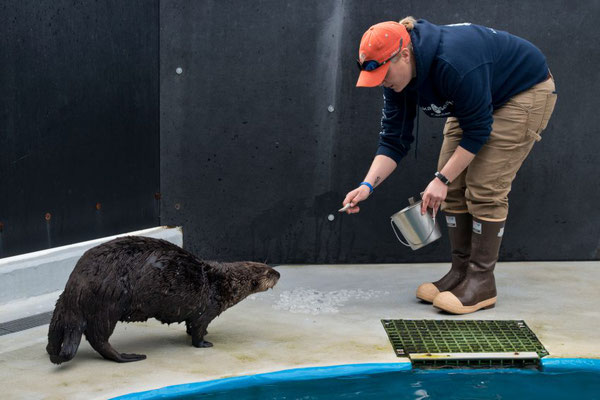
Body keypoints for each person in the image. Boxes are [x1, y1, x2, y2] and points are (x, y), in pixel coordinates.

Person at [342, 17, 557, 314]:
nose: (382, 80)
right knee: (452, 186)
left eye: (383, 72)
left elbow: (479, 129)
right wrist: (367, 186)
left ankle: (481, 282)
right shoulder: (397, 80)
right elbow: (394, 140)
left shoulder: (453, 62)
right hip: (475, 97)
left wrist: (440, 178)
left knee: (484, 187)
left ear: (404, 54)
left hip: (523, 91)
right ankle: (460, 272)